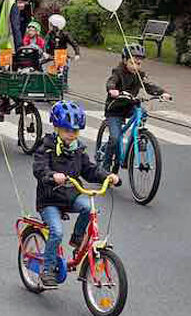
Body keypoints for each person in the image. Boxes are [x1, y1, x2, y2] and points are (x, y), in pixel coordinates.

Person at [33, 100, 120, 289]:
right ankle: (47, 270)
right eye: (67, 130)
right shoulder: (46, 147)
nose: (71, 135)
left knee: (89, 209)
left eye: (75, 131)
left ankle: (77, 238)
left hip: (70, 195)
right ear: (56, 128)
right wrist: (51, 176)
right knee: (56, 232)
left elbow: (89, 170)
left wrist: (108, 176)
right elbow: (39, 169)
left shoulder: (78, 150)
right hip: (49, 199)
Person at [103, 44, 172, 170]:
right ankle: (105, 166)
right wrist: (112, 89)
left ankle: (138, 137)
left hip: (129, 106)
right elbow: (111, 81)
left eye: (139, 63)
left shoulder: (139, 74)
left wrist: (162, 92)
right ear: (125, 61)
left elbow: (149, 86)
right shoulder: (118, 72)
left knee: (143, 112)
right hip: (115, 109)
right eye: (133, 62)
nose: (136, 66)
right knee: (115, 138)